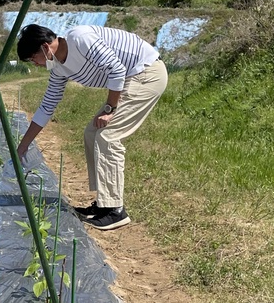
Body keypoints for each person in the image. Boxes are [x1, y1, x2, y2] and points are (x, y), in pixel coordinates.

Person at [15, 23, 167, 231]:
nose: (36, 64)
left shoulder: (80, 38)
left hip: (146, 73)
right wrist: (23, 146)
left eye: (34, 58)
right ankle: (104, 203)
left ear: (45, 47)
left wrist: (110, 109)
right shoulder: (59, 68)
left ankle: (115, 211)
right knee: (91, 133)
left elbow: (116, 69)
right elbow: (47, 107)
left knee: (108, 137)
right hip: (132, 78)